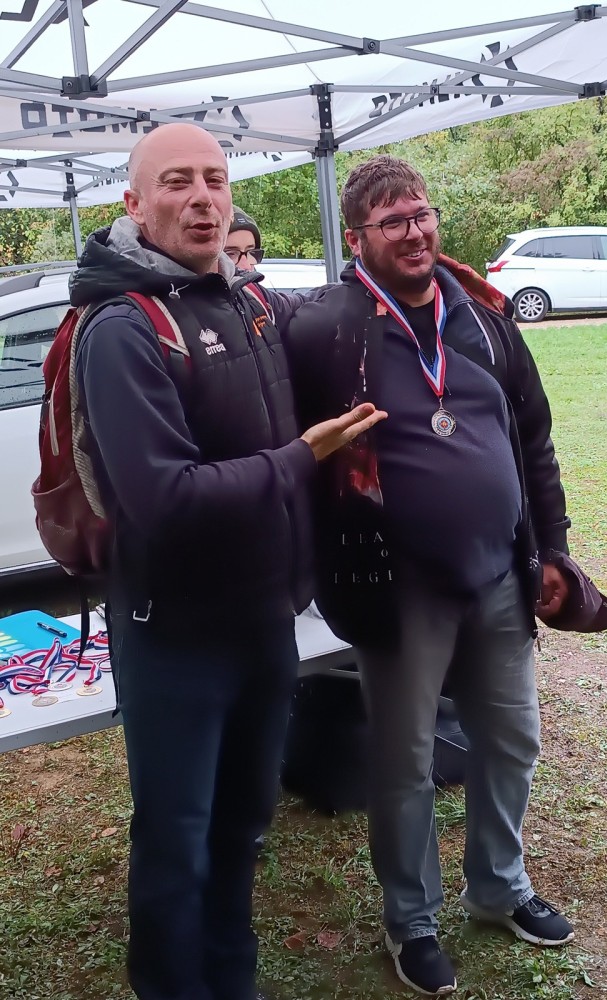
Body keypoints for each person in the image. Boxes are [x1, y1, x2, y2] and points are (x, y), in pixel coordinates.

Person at [69, 122, 385, 1000]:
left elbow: (341, 313)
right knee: (177, 838)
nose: (202, 197)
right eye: (177, 181)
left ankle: (230, 978)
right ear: (135, 204)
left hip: (263, 622)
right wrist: (301, 457)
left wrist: (420, 275)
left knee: (244, 823)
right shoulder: (123, 329)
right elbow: (166, 501)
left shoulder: (245, 302)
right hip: (174, 634)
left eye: (215, 178)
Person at [285, 154, 574, 997]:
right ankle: (410, 919)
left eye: (421, 215)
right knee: (404, 762)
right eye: (392, 222)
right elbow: (292, 453)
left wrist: (552, 549)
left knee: (512, 740)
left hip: (499, 577)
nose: (414, 233)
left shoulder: (484, 320)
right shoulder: (326, 329)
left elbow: (535, 441)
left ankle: (501, 888)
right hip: (396, 590)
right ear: (357, 238)